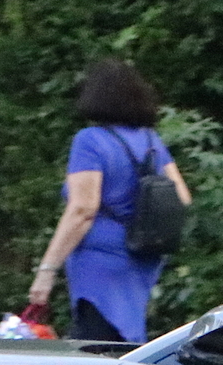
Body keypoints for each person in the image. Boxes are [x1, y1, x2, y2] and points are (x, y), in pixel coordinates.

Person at [27, 58, 193, 343]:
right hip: (141, 257)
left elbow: (82, 210)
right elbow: (182, 198)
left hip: (100, 263)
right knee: (124, 343)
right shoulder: (151, 141)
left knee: (97, 346)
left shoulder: (90, 141)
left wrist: (47, 270)